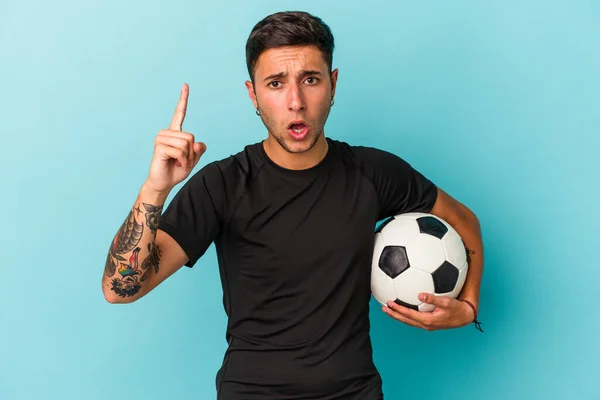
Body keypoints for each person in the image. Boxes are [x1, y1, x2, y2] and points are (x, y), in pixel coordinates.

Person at [102, 10, 484, 400]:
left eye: (311, 80)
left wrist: (468, 306)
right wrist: (155, 188)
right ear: (253, 94)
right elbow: (121, 289)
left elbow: (464, 221)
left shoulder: (372, 172)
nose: (295, 101)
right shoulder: (222, 184)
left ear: (332, 85)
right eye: (275, 83)